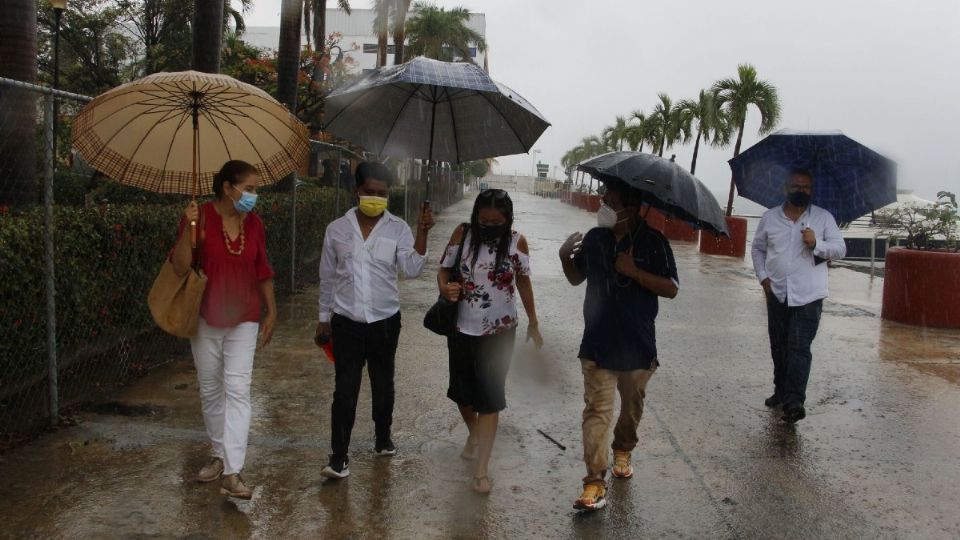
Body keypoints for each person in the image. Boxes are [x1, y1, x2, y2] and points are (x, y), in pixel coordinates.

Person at [559, 180, 679, 511]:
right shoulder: (595, 238)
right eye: (603, 200)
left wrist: (635, 271)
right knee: (596, 410)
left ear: (632, 207)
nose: (603, 207)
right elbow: (575, 278)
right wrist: (564, 257)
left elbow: (671, 288)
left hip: (637, 346)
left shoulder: (654, 243)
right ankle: (594, 482)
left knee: (631, 408)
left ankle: (623, 448)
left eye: (611, 202)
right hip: (596, 342)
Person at [315, 161, 434, 479]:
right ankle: (338, 457)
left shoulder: (399, 229)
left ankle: (383, 437)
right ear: (357, 191)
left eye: (382, 193)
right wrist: (323, 319)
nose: (376, 198)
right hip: (346, 322)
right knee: (345, 391)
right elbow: (327, 277)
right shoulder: (336, 230)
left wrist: (422, 232)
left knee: (383, 386)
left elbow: (412, 269)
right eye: (370, 192)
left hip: (384, 322)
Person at [171, 160, 277, 500]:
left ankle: (233, 472)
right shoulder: (199, 216)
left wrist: (271, 310)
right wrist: (189, 228)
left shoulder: (255, 224)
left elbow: (262, 268)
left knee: (238, 388)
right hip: (205, 316)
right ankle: (219, 454)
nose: (253, 196)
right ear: (228, 188)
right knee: (211, 389)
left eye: (255, 190)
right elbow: (179, 265)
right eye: (249, 189)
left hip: (244, 316)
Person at [437, 188, 543, 494]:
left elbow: (523, 280)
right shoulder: (463, 234)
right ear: (475, 217)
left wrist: (534, 322)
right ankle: (474, 434)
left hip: (499, 333)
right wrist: (445, 289)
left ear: (507, 219)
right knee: (461, 393)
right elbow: (443, 270)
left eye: (496, 221)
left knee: (490, 397)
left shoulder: (516, 242)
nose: (489, 225)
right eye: (484, 220)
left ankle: (482, 469)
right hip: (461, 328)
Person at [752, 169, 846, 424]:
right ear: (785, 188)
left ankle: (794, 401)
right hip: (777, 293)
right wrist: (763, 277)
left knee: (799, 348)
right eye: (796, 186)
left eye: (806, 187)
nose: (800, 190)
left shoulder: (823, 218)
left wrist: (817, 244)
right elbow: (758, 248)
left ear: (811, 190)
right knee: (779, 345)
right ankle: (780, 390)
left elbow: (841, 249)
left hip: (809, 296)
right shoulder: (769, 217)